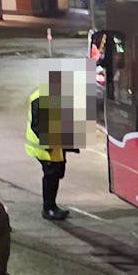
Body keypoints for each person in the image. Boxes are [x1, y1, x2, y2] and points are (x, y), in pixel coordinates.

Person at [25, 76, 78, 221]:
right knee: (51, 175)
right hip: (44, 147)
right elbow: (37, 125)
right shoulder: (40, 98)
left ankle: (52, 206)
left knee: (57, 173)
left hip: (55, 146)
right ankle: (48, 209)